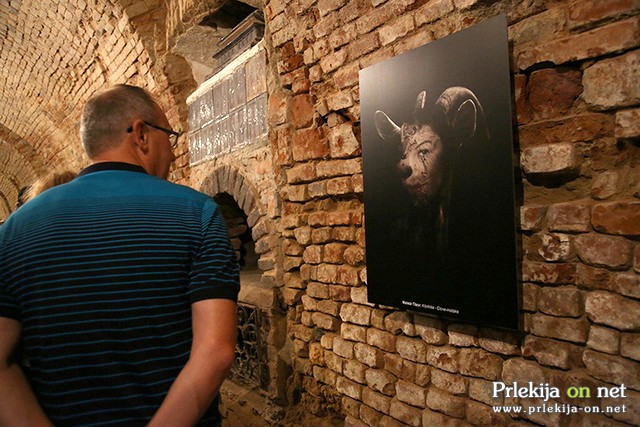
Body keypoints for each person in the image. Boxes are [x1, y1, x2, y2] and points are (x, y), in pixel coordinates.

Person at [0, 84, 240, 426]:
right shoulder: (195, 212)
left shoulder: (15, 229)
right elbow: (216, 349)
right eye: (168, 138)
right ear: (141, 134)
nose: (172, 154)